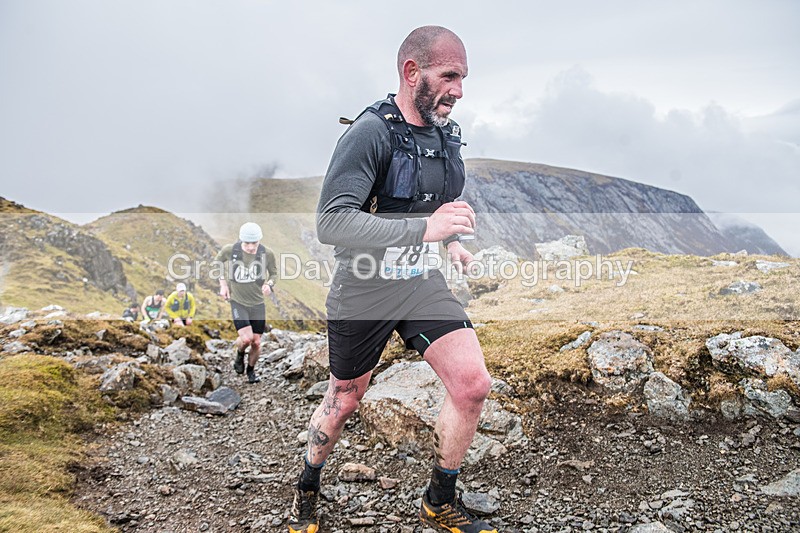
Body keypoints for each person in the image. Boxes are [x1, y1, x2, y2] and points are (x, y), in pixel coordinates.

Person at [288, 26, 496, 533]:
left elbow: (435, 204)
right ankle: (306, 490)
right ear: (411, 72)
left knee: (472, 386)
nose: (459, 90)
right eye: (449, 76)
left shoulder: (446, 137)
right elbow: (331, 222)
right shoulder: (369, 134)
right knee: (343, 401)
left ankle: (438, 500)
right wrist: (428, 229)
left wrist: (451, 244)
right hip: (363, 287)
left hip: (419, 281)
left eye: (463, 78)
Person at [214, 222, 277, 384]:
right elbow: (217, 262)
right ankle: (240, 354)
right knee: (247, 339)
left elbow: (274, 274)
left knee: (256, 342)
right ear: (241, 240)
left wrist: (269, 284)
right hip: (238, 302)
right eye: (247, 243)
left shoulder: (266, 254)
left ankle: (251, 370)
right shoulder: (231, 250)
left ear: (259, 241)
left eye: (254, 243)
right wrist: (223, 285)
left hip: (257, 303)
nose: (250, 247)